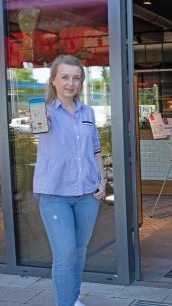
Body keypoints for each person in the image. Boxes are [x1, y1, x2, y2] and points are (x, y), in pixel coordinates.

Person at [33, 55, 106, 306]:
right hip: (54, 195)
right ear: (54, 80)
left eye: (76, 78)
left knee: (79, 251)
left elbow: (95, 148)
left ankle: (72, 300)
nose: (70, 83)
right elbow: (38, 127)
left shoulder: (88, 112)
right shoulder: (43, 111)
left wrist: (102, 180)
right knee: (64, 254)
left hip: (87, 194)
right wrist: (39, 118)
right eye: (64, 77)